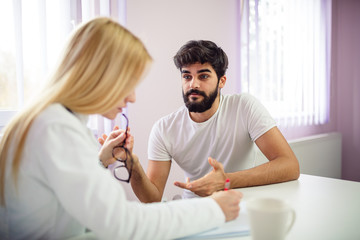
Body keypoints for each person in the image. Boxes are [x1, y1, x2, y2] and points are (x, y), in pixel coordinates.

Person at [0, 19, 242, 240]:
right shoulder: (56, 128)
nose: (133, 97)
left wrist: (99, 162)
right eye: (129, 83)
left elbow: (63, 199)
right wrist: (213, 210)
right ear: (99, 75)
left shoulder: (52, 120)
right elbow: (122, 223)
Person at [102, 40, 300, 202]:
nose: (193, 84)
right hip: (194, 211)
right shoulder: (164, 129)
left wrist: (225, 181)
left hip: (241, 202)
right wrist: (132, 163)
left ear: (222, 81)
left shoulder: (244, 106)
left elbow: (289, 165)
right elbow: (152, 199)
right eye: (186, 76)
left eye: (203, 76)